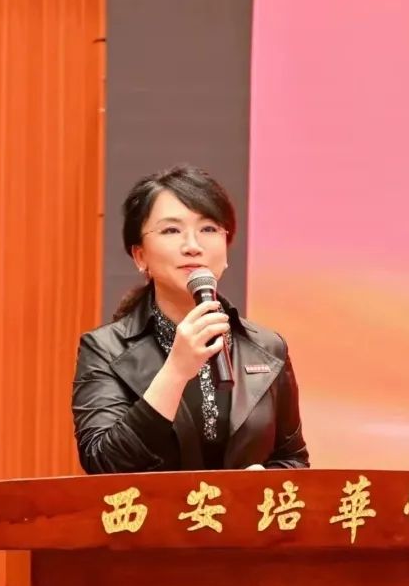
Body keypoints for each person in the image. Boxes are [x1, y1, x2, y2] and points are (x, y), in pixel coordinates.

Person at [71, 164, 310, 474]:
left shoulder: (267, 347)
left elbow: (293, 459)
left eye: (208, 229)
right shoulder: (105, 349)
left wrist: (259, 484)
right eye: (171, 230)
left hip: (241, 508)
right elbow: (103, 464)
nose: (193, 246)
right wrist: (175, 371)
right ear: (140, 255)